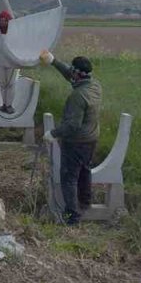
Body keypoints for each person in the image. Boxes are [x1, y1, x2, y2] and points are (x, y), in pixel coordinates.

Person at [40, 50, 101, 225]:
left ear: (77, 73)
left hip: (76, 143)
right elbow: (72, 75)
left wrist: (53, 133)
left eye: (73, 72)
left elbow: (73, 125)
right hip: (91, 140)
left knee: (69, 178)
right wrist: (54, 61)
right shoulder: (95, 86)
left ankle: (71, 217)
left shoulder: (77, 96)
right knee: (85, 170)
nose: (71, 75)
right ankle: (85, 203)